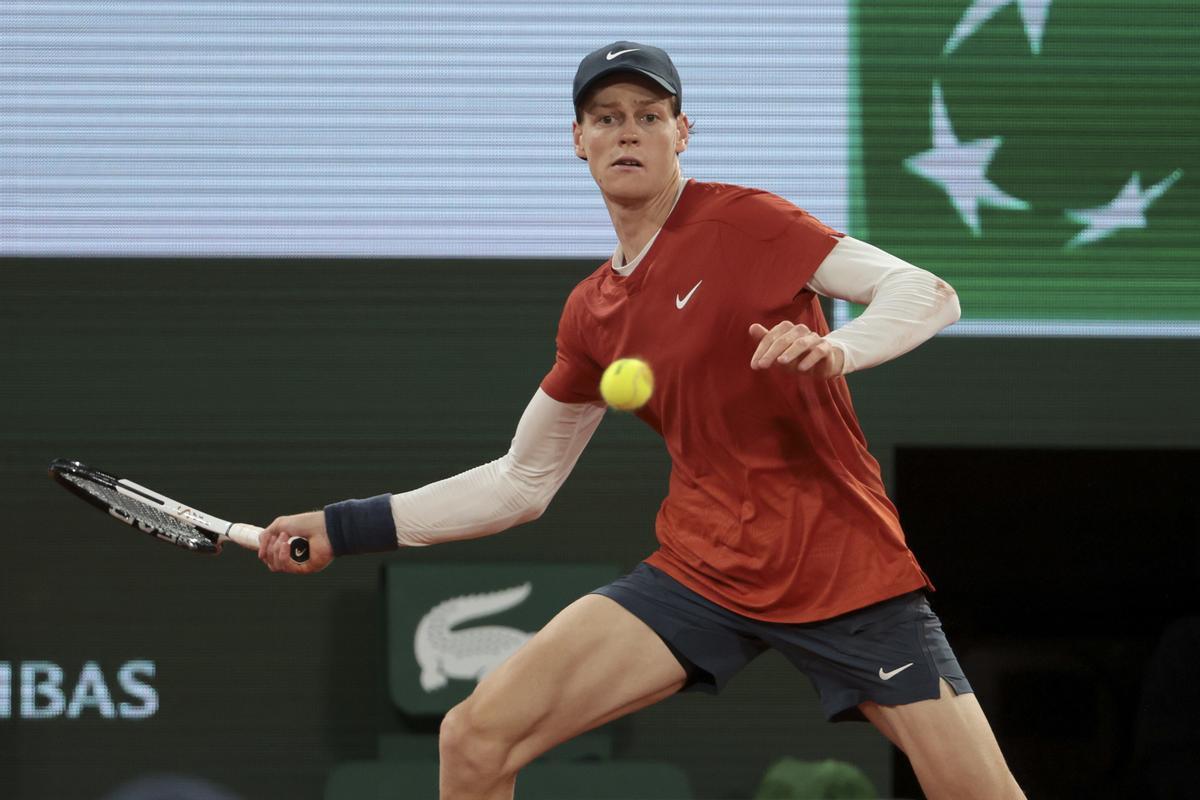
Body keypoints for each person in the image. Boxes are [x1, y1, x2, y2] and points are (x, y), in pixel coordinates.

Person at [258, 41, 1026, 800]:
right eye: (607, 117)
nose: (628, 132)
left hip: (841, 570)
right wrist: (343, 526)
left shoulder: (747, 222)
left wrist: (839, 351)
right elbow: (521, 482)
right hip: (703, 571)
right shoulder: (592, 313)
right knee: (476, 737)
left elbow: (927, 293)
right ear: (579, 140)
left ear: (681, 133)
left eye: (648, 116)